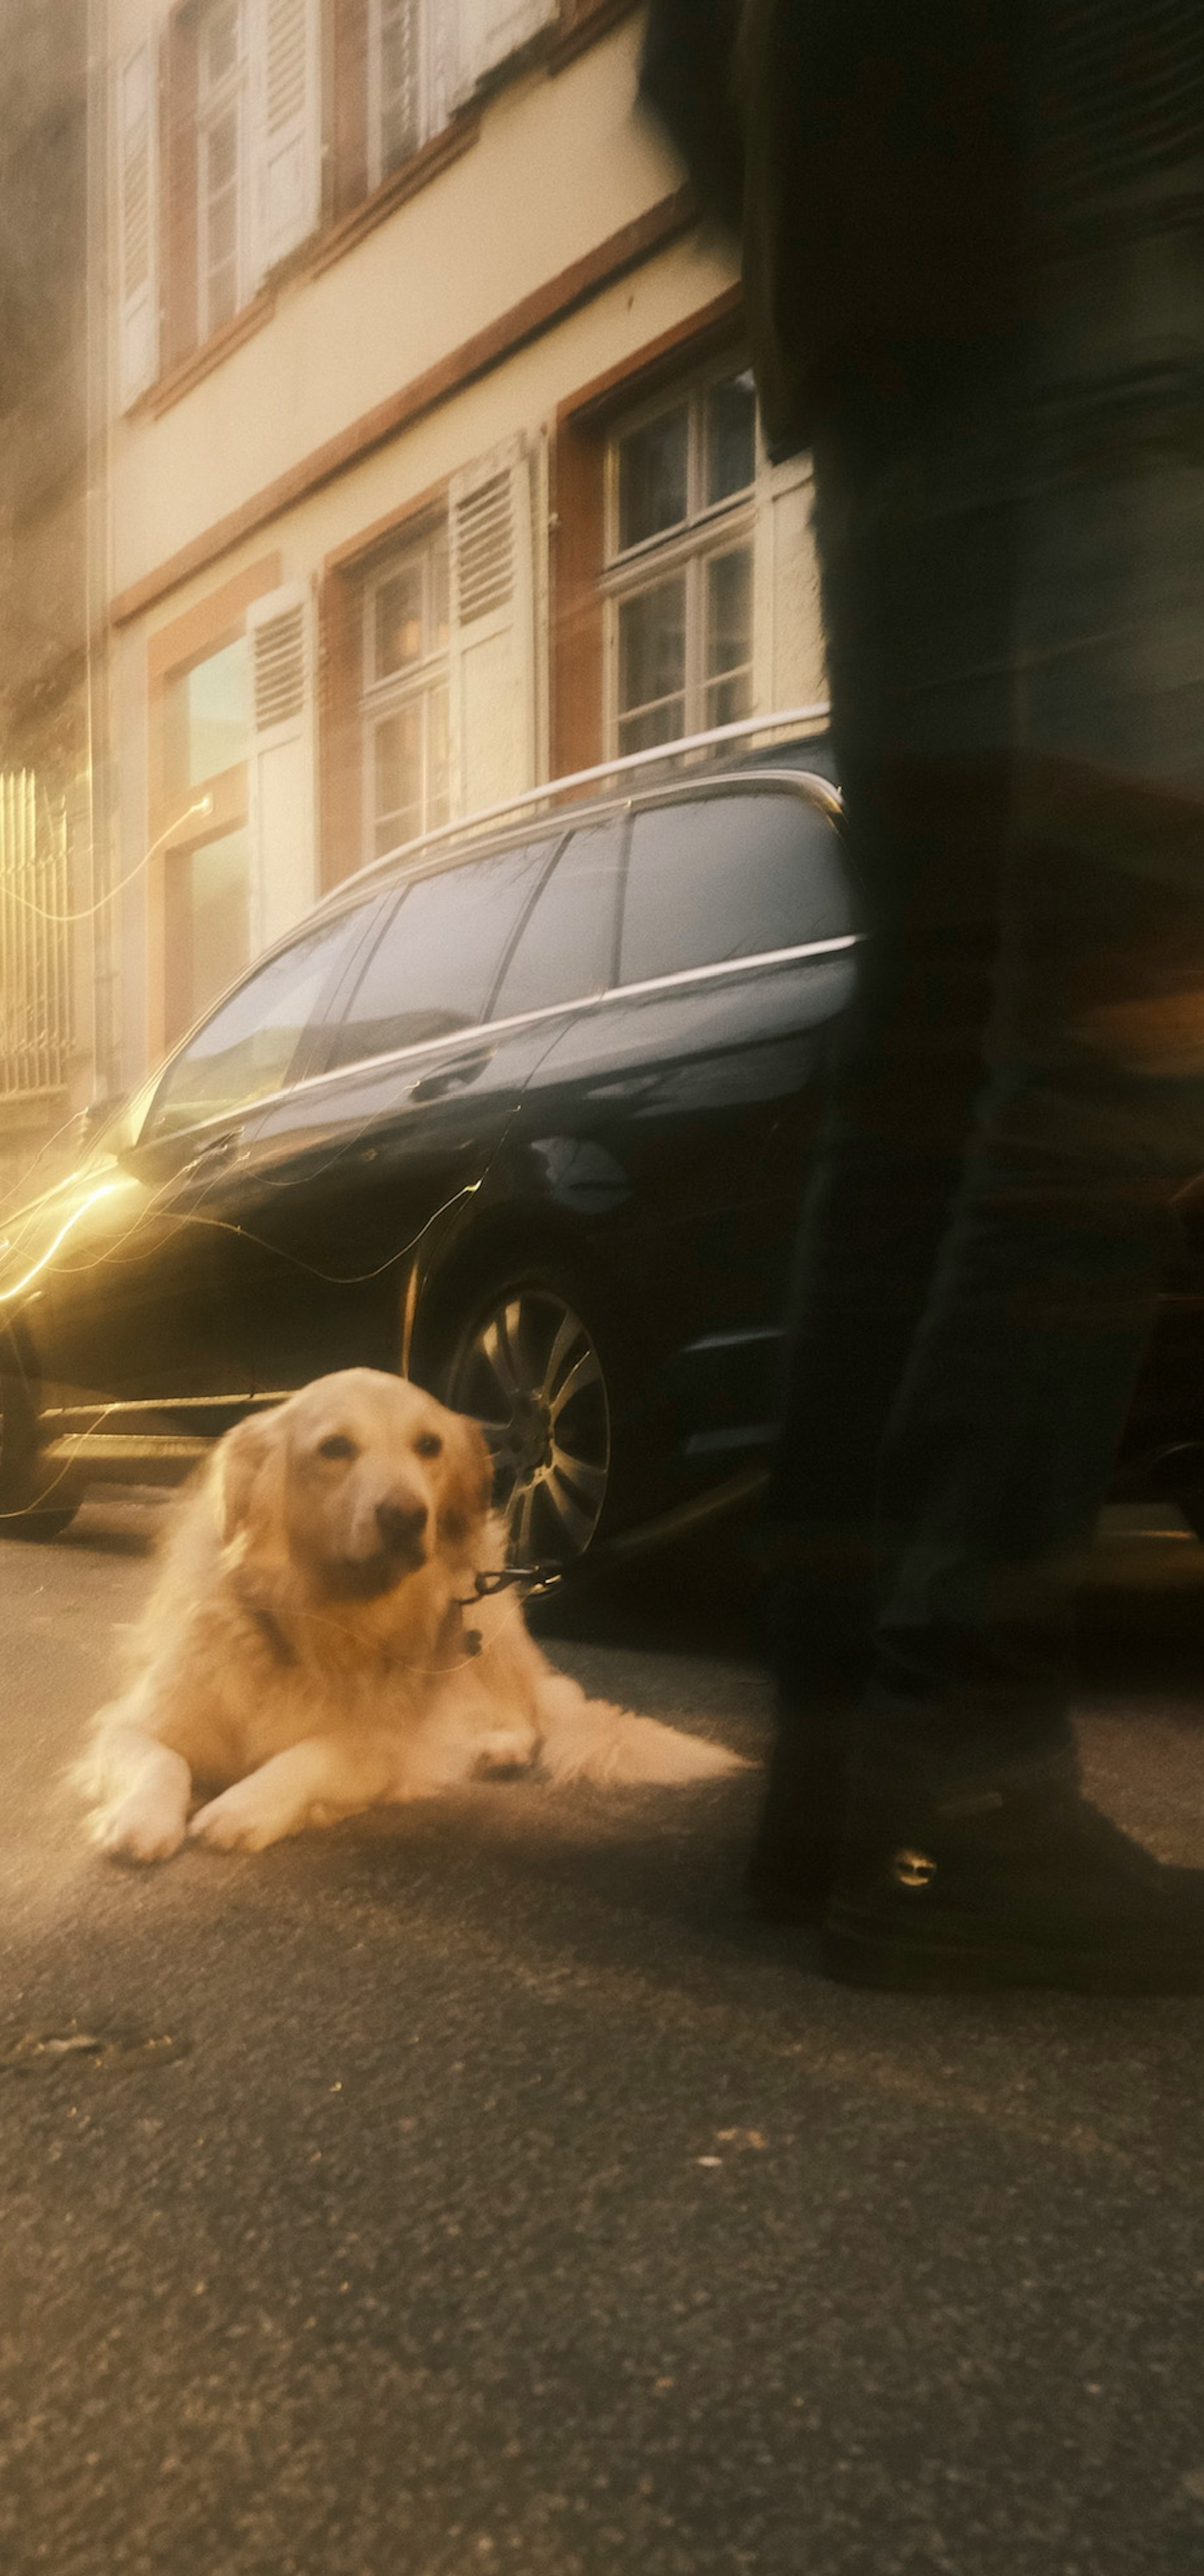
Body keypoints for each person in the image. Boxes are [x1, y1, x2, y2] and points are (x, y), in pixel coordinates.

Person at [641, 0, 1204, 1990]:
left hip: (883, 318)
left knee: (941, 1039)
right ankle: (951, 1769)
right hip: (1114, 210)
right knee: (1120, 1010)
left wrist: (830, 249)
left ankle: (838, 1771)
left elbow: (678, 63)